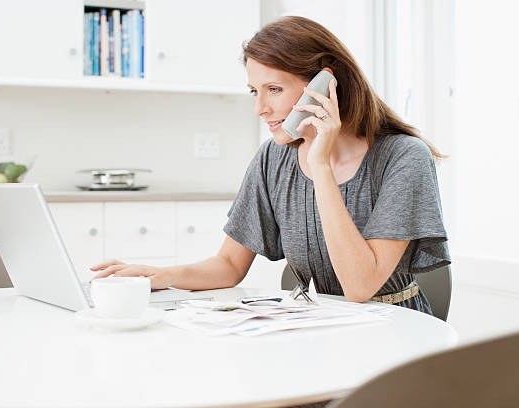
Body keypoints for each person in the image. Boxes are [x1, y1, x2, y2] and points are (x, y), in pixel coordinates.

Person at [91, 16, 450, 315]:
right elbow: (230, 265)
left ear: (324, 86)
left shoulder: (404, 157)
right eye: (254, 91)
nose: (259, 108)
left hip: (396, 331)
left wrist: (320, 166)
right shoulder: (272, 158)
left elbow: (359, 286)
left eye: (274, 90)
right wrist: (155, 275)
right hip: (322, 326)